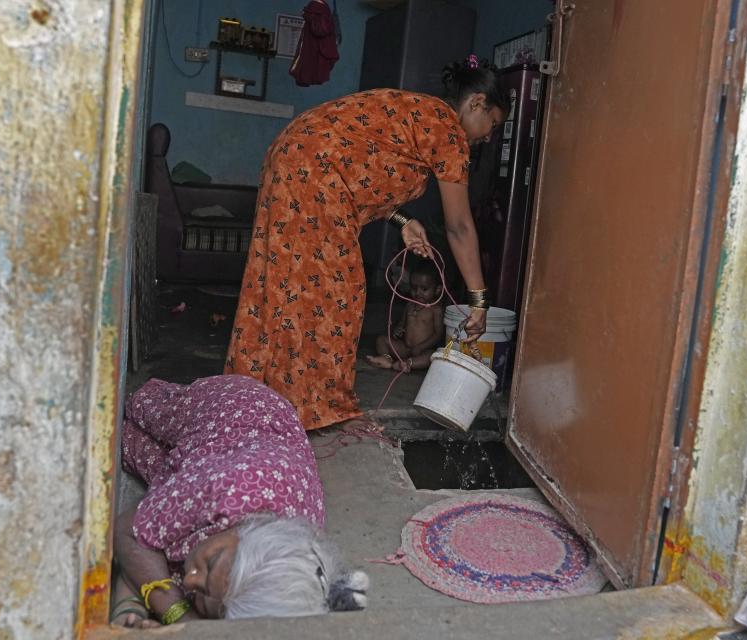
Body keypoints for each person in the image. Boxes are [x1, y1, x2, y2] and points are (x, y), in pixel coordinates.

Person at [225, 55, 509, 430]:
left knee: (281, 282)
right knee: (335, 291)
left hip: (295, 158)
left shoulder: (420, 113)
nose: (488, 137)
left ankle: (260, 395)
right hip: (313, 175)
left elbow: (361, 168)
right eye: (491, 125)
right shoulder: (448, 131)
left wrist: (403, 221)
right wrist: (478, 300)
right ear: (476, 103)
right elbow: (459, 227)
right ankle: (314, 407)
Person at [111, 375, 368, 627]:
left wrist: (131, 609)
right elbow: (132, 533)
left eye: (207, 603)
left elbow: (148, 555)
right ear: (243, 532)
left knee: (126, 446)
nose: (191, 581)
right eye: (209, 565)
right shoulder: (227, 491)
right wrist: (178, 614)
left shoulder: (283, 565)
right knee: (138, 407)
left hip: (226, 462)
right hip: (242, 409)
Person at [366, 259, 444, 372]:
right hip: (405, 348)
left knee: (433, 356)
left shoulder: (436, 310)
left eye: (424, 289)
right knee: (381, 340)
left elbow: (438, 334)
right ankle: (386, 359)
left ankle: (407, 364)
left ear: (437, 289)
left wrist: (421, 347)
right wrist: (398, 329)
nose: (417, 293)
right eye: (413, 288)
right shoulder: (409, 305)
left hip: (422, 350)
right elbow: (402, 324)